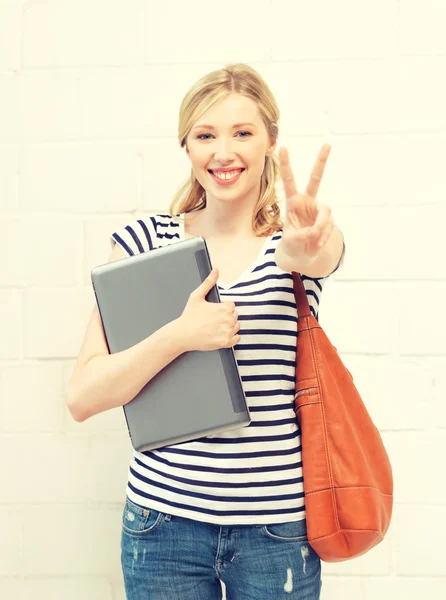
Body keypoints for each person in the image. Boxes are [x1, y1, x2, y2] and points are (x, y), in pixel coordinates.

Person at [67, 63, 345, 600]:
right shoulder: (143, 243)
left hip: (277, 531)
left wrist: (312, 240)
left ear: (270, 142)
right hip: (162, 524)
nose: (223, 152)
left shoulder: (295, 246)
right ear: (187, 146)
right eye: (205, 135)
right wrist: (179, 335)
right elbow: (82, 397)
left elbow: (320, 251)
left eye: (243, 132)